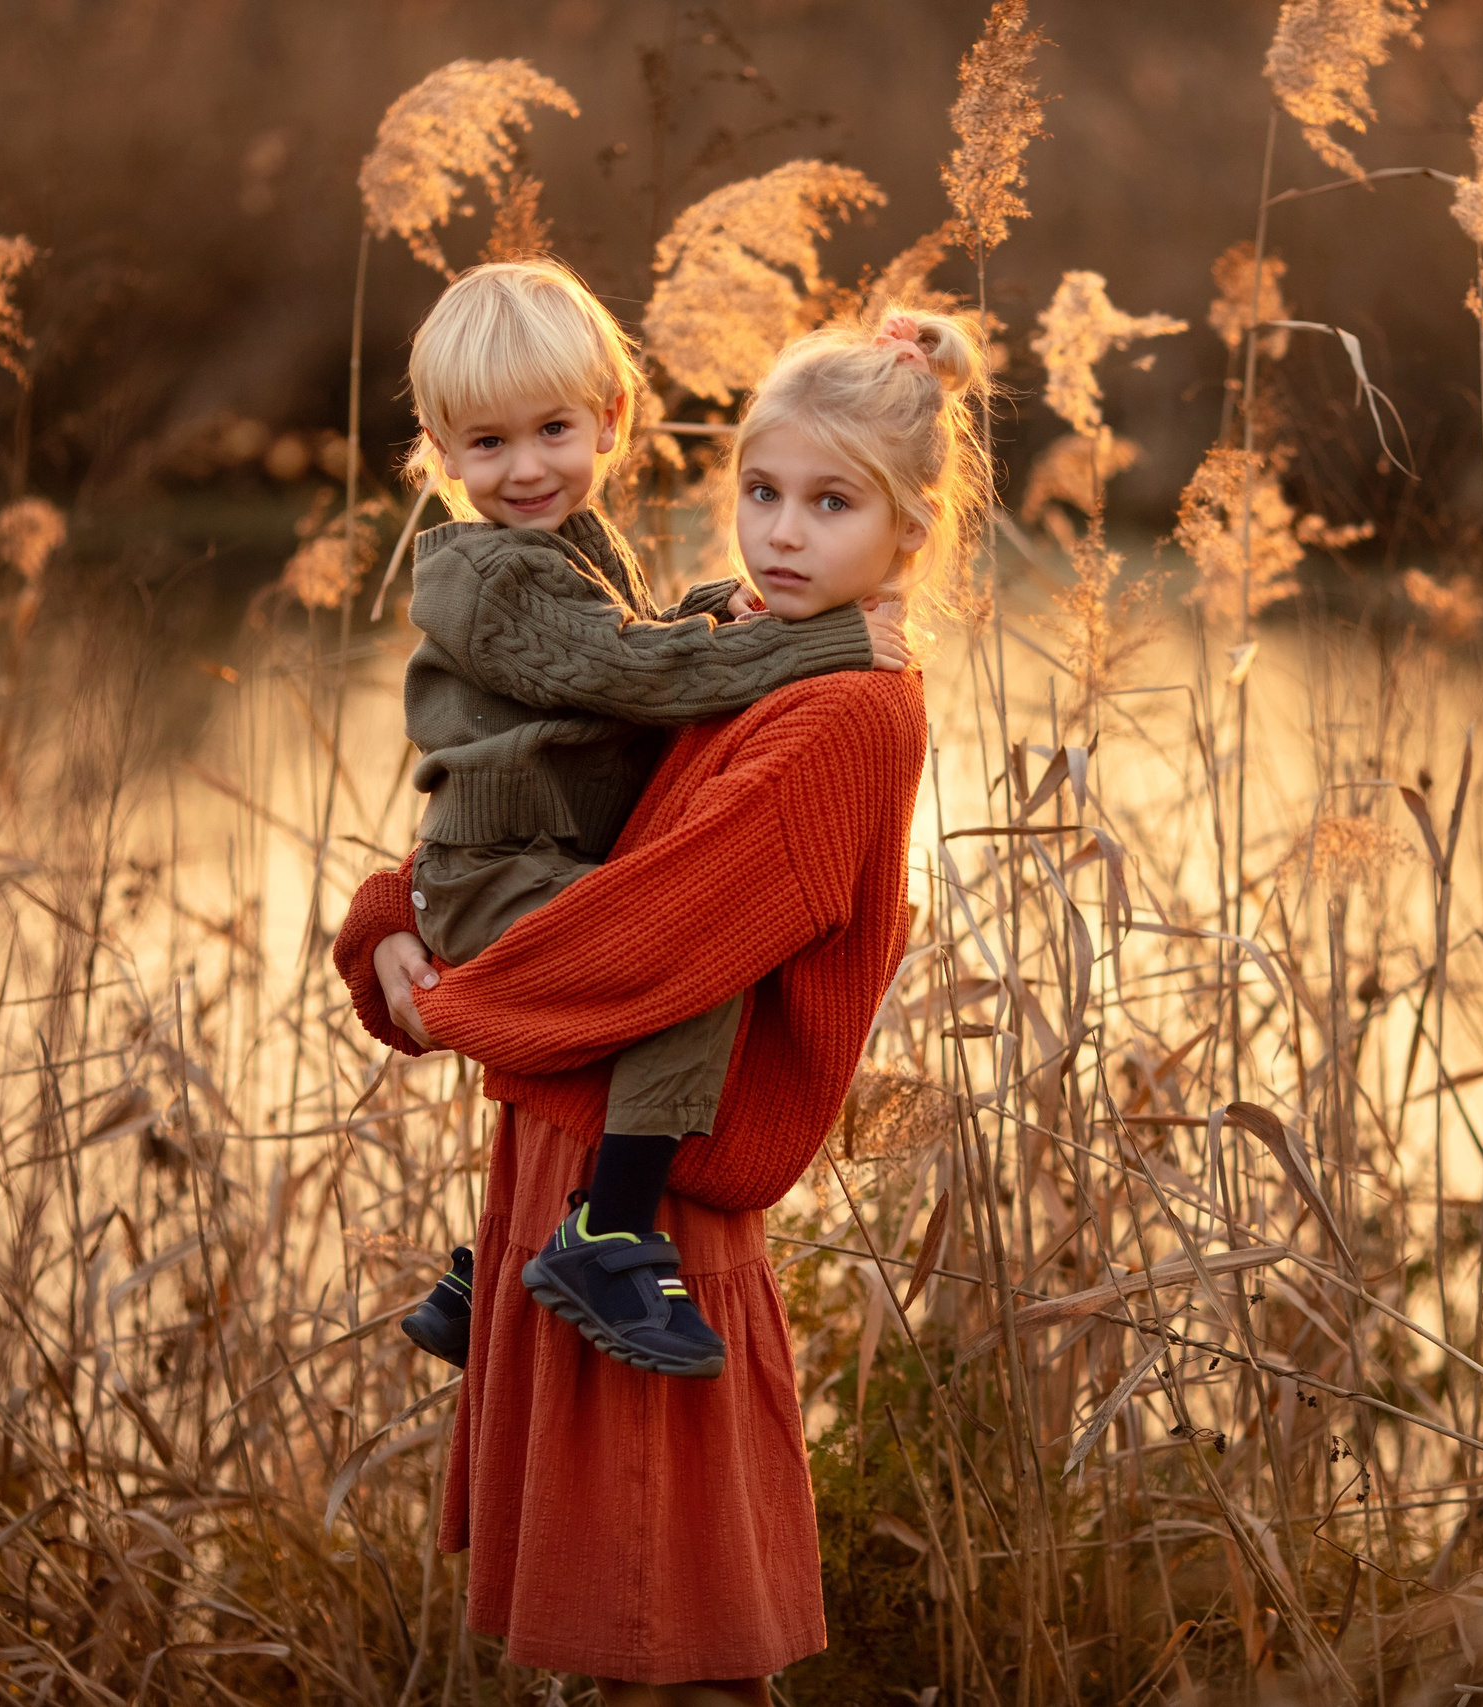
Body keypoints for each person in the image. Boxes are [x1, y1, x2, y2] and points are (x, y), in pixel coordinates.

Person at [332, 306, 990, 1701]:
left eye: (829, 504)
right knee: (615, 1635)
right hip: (572, 1154)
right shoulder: (760, 644)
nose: (782, 533)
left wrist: (454, 1002)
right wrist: (396, 912)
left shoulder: (848, 708)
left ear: (909, 531)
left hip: (653, 1203)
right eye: (762, 492)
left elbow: (658, 930)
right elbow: (577, 807)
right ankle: (497, 1266)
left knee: (673, 1637)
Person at [383, 257, 908, 1378]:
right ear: (438, 445)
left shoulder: (573, 546)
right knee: (682, 968)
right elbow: (628, 674)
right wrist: (815, 637)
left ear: (611, 419)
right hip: (498, 873)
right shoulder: (492, 577)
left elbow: (632, 655)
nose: (526, 468)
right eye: (486, 445)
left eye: (551, 430)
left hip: (527, 858)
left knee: (665, 948)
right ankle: (609, 1227)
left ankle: (493, 1268)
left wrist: (723, 615)